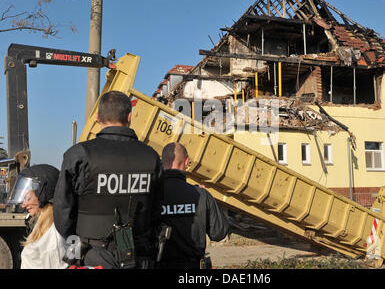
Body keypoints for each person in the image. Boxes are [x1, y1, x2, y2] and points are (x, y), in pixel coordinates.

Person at [53, 91, 164, 269]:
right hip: (139, 255)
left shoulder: (79, 154)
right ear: (129, 117)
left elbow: (62, 209)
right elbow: (157, 209)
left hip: (91, 255)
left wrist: (75, 243)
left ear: (97, 118)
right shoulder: (151, 157)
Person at [157, 142, 229, 269]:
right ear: (186, 162)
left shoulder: (151, 195)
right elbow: (219, 233)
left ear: (162, 162)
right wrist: (206, 198)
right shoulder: (201, 195)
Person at [6, 164, 68, 269]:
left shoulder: (52, 238)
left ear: (44, 194)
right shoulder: (44, 226)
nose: (23, 205)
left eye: (28, 198)